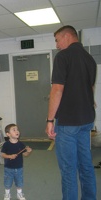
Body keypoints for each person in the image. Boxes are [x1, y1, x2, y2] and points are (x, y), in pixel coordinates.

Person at [45, 25, 97, 200]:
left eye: (58, 40)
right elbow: (90, 88)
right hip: (86, 120)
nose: (57, 45)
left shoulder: (63, 57)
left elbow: (57, 90)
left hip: (68, 123)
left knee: (68, 169)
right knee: (86, 165)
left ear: (67, 36)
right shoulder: (89, 59)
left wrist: (49, 120)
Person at [1, 123, 32, 200]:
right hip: (8, 168)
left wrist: (28, 151)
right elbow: (3, 155)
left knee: (19, 182)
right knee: (7, 182)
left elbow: (25, 154)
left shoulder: (21, 144)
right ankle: (7, 193)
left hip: (19, 167)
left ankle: (19, 193)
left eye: (17, 129)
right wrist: (9, 156)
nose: (17, 131)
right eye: (14, 130)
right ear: (8, 134)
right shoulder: (6, 144)